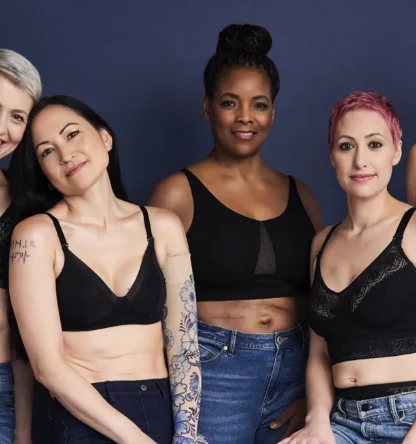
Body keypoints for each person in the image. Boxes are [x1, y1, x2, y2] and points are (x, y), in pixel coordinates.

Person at [148, 24, 321, 444]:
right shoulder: (176, 192)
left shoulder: (302, 193)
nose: (245, 117)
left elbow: (325, 302)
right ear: (208, 108)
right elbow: (149, 303)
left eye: (259, 104)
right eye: (230, 103)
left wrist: (316, 402)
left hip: (295, 374)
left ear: (273, 112)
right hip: (215, 376)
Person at [8, 95, 201, 444]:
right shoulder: (36, 237)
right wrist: (135, 439)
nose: (65, 155)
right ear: (44, 173)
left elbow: (184, 345)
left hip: (157, 409)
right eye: (47, 151)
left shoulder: (164, 227)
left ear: (105, 138)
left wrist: (187, 437)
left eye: (71, 134)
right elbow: (47, 367)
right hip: (79, 416)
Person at [281, 91, 416, 444]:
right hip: (343, 419)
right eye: (346, 146)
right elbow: (319, 354)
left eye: (374, 144)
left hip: (409, 419)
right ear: (332, 156)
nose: (360, 161)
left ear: (397, 151)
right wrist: (317, 424)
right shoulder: (321, 244)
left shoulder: (414, 228)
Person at [0, 48, 42, 444]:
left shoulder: (26, 208)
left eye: (16, 117)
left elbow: (25, 337)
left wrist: (23, 430)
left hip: (5, 392)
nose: (2, 128)